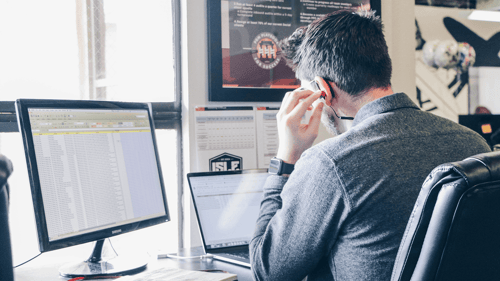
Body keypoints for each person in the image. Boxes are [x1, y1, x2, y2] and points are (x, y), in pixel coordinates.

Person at [250, 10, 491, 281]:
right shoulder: (474, 143)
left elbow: (268, 271)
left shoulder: (331, 163)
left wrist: (285, 159)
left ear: (322, 90)